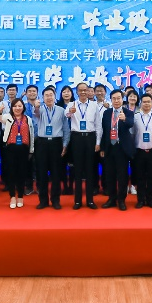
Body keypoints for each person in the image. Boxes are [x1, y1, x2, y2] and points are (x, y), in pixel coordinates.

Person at [33, 87, 70, 210]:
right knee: (41, 173)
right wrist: (36, 107)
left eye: (51, 95)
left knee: (56, 173)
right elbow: (36, 114)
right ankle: (43, 200)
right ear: (42, 98)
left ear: (55, 97)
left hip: (56, 143)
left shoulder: (61, 110)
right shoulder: (39, 109)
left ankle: (55, 200)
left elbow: (66, 129)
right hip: (42, 143)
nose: (49, 97)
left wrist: (65, 144)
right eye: (46, 95)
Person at [66, 82, 102, 210]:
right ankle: (77, 201)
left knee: (90, 169)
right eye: (80, 90)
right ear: (76, 92)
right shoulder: (71, 104)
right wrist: (70, 112)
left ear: (89, 91)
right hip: (76, 138)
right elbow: (66, 115)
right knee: (77, 170)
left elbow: (98, 125)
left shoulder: (94, 105)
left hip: (90, 138)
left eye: (85, 90)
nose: (83, 92)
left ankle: (90, 200)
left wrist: (98, 142)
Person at [98, 89, 135, 210]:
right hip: (109, 148)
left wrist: (124, 119)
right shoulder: (107, 113)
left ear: (122, 99)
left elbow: (131, 124)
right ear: (111, 100)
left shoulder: (128, 112)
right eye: (114, 98)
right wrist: (102, 147)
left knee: (122, 176)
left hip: (122, 148)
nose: (116, 101)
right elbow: (104, 131)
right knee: (110, 175)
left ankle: (121, 200)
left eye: (118, 98)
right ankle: (111, 199)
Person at [0, 98, 35, 209]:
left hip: (24, 149)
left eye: (19, 106)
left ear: (23, 107)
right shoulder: (8, 117)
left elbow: (31, 134)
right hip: (10, 148)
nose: (17, 108)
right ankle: (12, 197)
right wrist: (0, 111)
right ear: (12, 108)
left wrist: (31, 149)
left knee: (21, 173)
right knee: (11, 173)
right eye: (15, 106)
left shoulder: (28, 119)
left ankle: (20, 196)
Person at [132, 93, 152, 209]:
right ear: (141, 103)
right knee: (140, 177)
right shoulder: (135, 117)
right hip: (139, 151)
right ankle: (140, 200)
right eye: (144, 102)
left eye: (148, 102)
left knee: (151, 177)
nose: (146, 104)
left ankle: (150, 200)